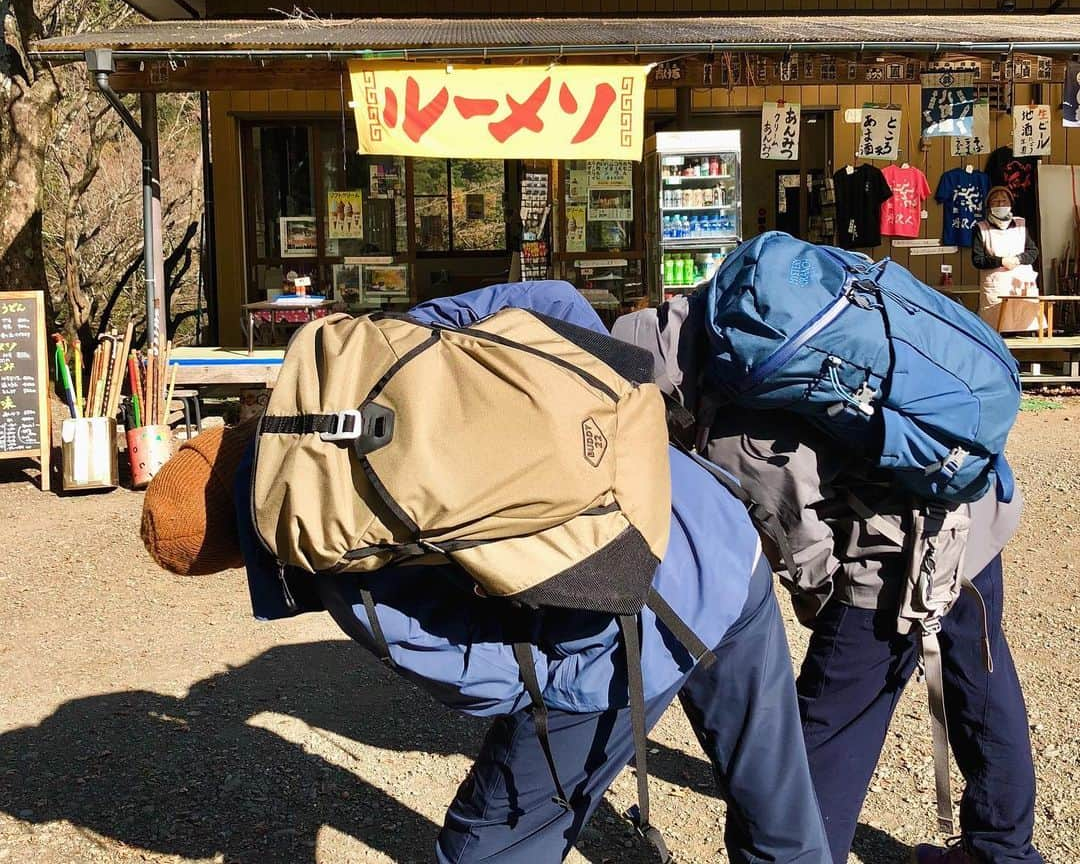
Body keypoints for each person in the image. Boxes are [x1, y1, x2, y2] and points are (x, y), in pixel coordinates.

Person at [140, 281, 829, 863]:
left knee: (487, 846)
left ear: (241, 551)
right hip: (712, 527)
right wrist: (607, 429)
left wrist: (554, 636)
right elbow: (553, 298)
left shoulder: (332, 549)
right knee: (778, 809)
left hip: (626, 623)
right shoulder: (368, 351)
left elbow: (480, 677)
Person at [614, 296, 1043, 864]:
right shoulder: (744, 309)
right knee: (982, 683)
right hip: (970, 498)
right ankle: (1003, 851)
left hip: (898, 559)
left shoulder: (728, 418)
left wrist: (826, 610)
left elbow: (805, 548)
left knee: (823, 736)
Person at [972, 186, 1041, 333]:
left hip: (1020, 287)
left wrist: (1018, 259)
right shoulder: (981, 228)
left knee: (1024, 326)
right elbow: (978, 260)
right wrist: (1000, 261)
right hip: (996, 287)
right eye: (995, 202)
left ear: (1010, 203)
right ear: (989, 206)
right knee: (996, 328)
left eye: (1004, 201)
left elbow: (1033, 251)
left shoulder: (1021, 225)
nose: (1000, 205)